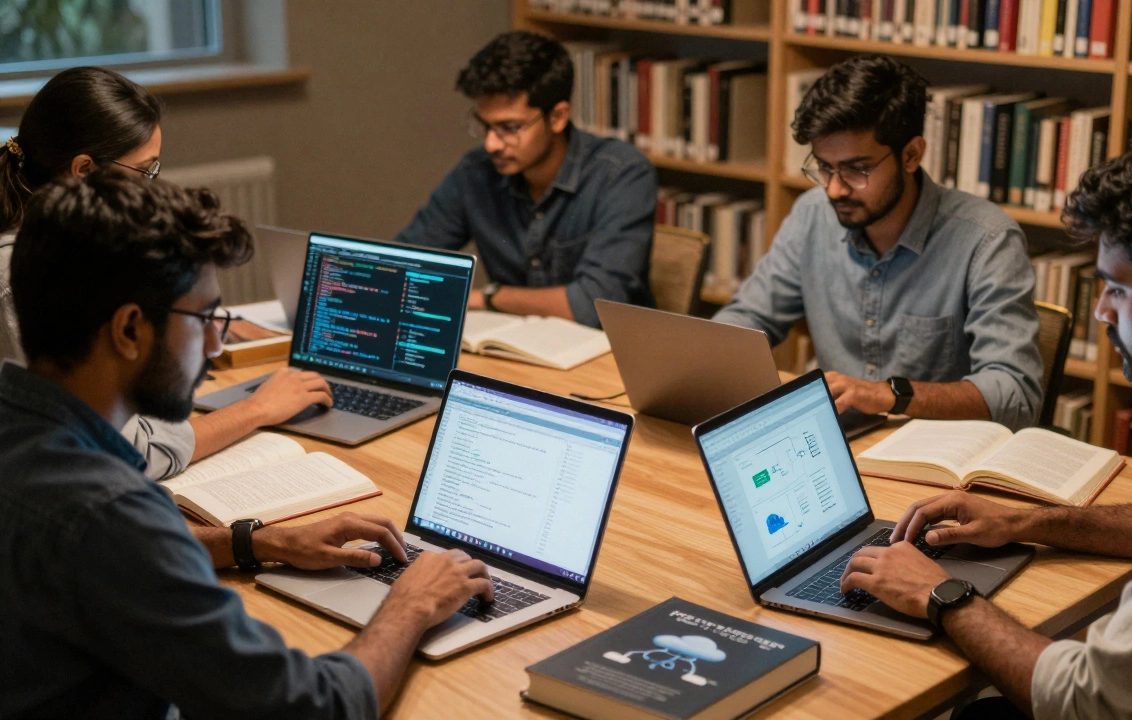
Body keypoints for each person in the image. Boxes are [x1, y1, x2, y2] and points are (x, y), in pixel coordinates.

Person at [0, 171, 495, 718]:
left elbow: (115, 561)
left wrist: (257, 542)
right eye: (206, 318)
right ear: (129, 330)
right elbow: (312, 707)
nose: (215, 345)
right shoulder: (108, 516)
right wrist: (411, 604)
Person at [838, 132, 1132, 720]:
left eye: (1118, 288)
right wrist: (1024, 519)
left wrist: (938, 594)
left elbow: (1095, 701)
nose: (1101, 311)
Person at [0, 66, 333, 480]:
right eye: (147, 171)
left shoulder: (67, 249)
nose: (155, 187)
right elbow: (129, 451)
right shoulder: (22, 274)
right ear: (84, 171)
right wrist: (258, 409)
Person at [713, 56, 1042, 431]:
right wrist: (705, 357)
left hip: (937, 461)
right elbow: (751, 318)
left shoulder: (987, 240)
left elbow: (1017, 396)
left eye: (857, 169)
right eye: (824, 167)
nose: (835, 188)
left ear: (911, 155)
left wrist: (892, 395)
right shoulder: (812, 215)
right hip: (837, 440)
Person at [393, 31, 657, 328]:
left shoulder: (620, 174)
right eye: (485, 126)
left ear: (557, 117)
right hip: (514, 349)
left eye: (510, 127)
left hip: (603, 356)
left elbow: (596, 303)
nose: (492, 143)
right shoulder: (476, 172)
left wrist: (490, 298)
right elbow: (402, 265)